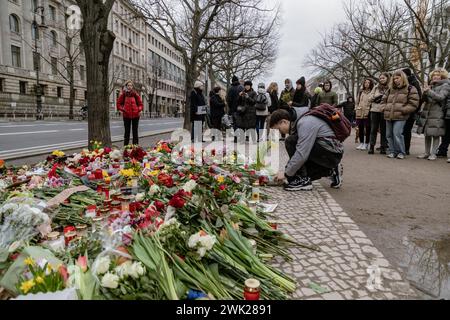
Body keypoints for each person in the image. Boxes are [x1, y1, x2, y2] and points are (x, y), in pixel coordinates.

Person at [270, 107, 344, 191]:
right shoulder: (300, 120)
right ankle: (331, 170)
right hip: (329, 151)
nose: (280, 133)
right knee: (295, 174)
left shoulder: (305, 123)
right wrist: (288, 172)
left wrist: (286, 173)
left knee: (291, 141)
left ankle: (303, 181)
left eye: (279, 129)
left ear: (284, 121)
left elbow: (301, 154)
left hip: (331, 153)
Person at [381, 70, 420, 159]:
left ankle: (401, 152)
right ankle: (392, 151)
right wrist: (384, 108)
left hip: (401, 116)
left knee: (397, 134)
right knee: (389, 135)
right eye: (394, 79)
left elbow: (414, 103)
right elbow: (383, 100)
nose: (395, 80)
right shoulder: (391, 89)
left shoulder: (410, 88)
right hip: (388, 115)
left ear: (402, 78)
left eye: (397, 78)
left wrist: (403, 110)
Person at [416, 68, 450, 161]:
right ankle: (426, 152)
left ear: (442, 76)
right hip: (427, 112)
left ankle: (433, 154)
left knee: (435, 134)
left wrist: (429, 91)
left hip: (437, 112)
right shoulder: (431, 85)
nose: (435, 76)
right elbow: (424, 99)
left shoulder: (445, 85)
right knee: (427, 133)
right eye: (434, 75)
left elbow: (440, 97)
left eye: (437, 75)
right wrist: (424, 92)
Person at [402, 68, 423, 155]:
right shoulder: (408, 82)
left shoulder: (413, 83)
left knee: (406, 130)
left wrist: (414, 110)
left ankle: (406, 148)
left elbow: (418, 98)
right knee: (403, 130)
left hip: (411, 111)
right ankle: (402, 148)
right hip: (404, 110)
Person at [368, 73, 390, 155]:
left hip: (384, 111)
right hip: (374, 110)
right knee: (373, 129)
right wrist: (377, 96)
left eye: (383, 78)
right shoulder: (376, 87)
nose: (381, 79)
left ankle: (383, 147)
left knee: (384, 130)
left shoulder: (390, 87)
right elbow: (369, 98)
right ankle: (371, 147)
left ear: (387, 78)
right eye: (380, 78)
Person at [117, 80, 144, 146]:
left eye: (131, 85)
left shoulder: (135, 94)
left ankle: (136, 148)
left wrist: (139, 110)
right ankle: (125, 147)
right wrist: (122, 109)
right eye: (128, 85)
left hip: (136, 115)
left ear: (132, 87)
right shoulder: (123, 94)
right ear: (126, 86)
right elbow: (118, 104)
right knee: (127, 132)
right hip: (126, 116)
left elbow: (140, 104)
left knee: (135, 132)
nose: (129, 87)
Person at [355, 79, 374, 151]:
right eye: (365, 82)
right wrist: (356, 108)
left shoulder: (372, 92)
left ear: (371, 84)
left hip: (368, 112)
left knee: (368, 128)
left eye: (368, 82)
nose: (366, 84)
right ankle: (361, 142)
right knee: (360, 128)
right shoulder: (360, 92)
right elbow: (357, 102)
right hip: (360, 112)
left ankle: (367, 143)